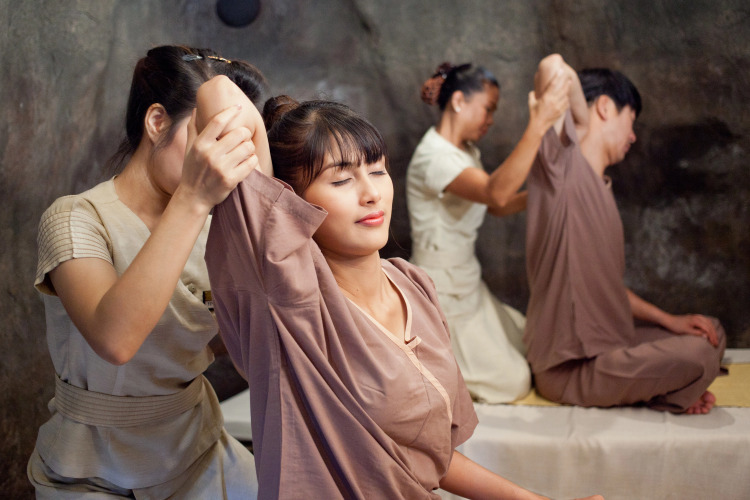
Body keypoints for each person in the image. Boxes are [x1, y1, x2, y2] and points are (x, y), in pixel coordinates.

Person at [202, 76, 603, 499]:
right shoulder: (290, 298)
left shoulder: (413, 286)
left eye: (378, 171)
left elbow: (429, 458)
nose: (371, 193)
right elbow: (219, 94)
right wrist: (270, 188)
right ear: (290, 203)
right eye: (340, 181)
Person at [27, 45, 269, 498]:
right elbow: (116, 341)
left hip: (197, 446)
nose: (220, 157)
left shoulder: (215, 222)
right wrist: (193, 197)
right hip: (93, 466)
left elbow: (249, 340)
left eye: (236, 142)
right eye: (210, 135)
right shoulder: (76, 217)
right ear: (157, 122)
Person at [524, 54, 726, 414]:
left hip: (614, 344)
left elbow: (607, 288)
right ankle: (674, 391)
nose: (633, 136)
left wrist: (669, 320)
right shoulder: (560, 164)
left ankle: (670, 389)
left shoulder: (601, 187)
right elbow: (552, 66)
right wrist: (581, 122)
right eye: (631, 121)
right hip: (571, 368)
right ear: (605, 107)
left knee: (709, 332)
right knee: (697, 355)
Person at [406, 62, 570, 402]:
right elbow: (495, 193)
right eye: (488, 109)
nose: (491, 120)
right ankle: (426, 368)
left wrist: (548, 193)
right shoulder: (434, 157)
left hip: (467, 281)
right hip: (443, 291)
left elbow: (495, 204)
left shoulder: (464, 151)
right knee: (514, 382)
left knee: (531, 342)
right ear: (458, 101)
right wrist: (538, 124)